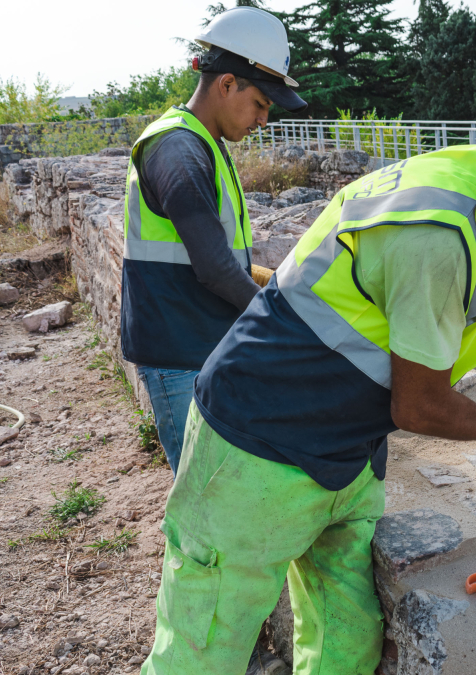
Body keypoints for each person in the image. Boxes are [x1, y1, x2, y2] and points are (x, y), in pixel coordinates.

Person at [141, 82, 476, 675]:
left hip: (343, 450)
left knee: (343, 642)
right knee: (202, 647)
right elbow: (419, 406)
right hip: (257, 446)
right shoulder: (438, 236)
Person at [120, 6, 308, 475]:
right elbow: (216, 269)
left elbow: (225, 257)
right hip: (179, 354)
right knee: (201, 498)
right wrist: (284, 321)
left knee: (223, 491)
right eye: (261, 104)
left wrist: (279, 283)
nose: (263, 119)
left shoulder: (202, 143)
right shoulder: (178, 151)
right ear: (227, 84)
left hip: (202, 344)